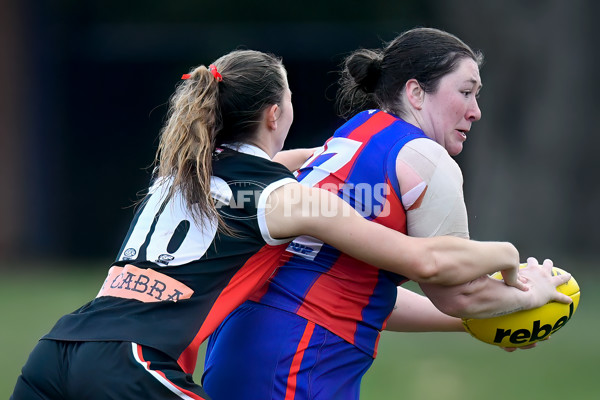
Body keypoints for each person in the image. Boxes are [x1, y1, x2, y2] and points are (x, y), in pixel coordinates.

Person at [9, 49, 544, 400]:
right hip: (127, 366)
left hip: (55, 351)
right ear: (274, 115)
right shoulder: (283, 200)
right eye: (289, 97)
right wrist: (511, 259)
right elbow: (427, 261)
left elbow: (310, 159)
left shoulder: (184, 170)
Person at [201, 29, 572, 399]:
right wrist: (529, 295)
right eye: (465, 92)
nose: (475, 111)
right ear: (415, 93)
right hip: (300, 358)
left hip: (240, 344)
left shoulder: (355, 133)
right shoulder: (425, 158)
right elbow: (460, 293)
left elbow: (359, 291)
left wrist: (477, 321)